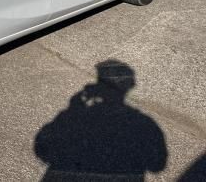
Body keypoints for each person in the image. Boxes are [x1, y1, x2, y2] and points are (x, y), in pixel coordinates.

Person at [34, 59, 167, 181]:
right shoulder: (144, 124)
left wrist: (72, 109)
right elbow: (157, 165)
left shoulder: (76, 116)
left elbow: (42, 147)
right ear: (130, 85)